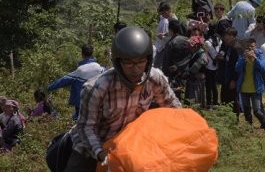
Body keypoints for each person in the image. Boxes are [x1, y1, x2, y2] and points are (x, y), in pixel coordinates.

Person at [63, 27, 181, 171]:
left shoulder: (155, 79)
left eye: (141, 62)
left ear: (149, 60)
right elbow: (86, 127)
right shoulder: (97, 88)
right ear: (118, 62)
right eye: (129, 63)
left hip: (129, 145)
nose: (136, 69)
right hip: (92, 147)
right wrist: (101, 154)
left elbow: (174, 110)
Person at [47, 44, 104, 120]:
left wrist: (49, 87)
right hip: (97, 101)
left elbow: (63, 80)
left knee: (78, 120)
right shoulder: (99, 68)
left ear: (82, 54)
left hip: (81, 103)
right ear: (92, 54)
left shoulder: (80, 70)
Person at [235, 37, 265, 138]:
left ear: (255, 47)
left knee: (257, 111)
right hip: (244, 88)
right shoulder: (242, 56)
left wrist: (255, 58)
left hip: (256, 88)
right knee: (247, 111)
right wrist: (244, 58)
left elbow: (264, 68)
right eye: (248, 47)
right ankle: (249, 130)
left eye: (252, 47)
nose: (250, 49)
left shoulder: (260, 55)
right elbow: (237, 68)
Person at [216, 27, 241, 118]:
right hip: (225, 77)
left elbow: (237, 66)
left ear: (234, 37)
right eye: (226, 35)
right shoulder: (226, 46)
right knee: (224, 98)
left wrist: (234, 80)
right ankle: (226, 117)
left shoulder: (236, 48)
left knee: (233, 99)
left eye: (229, 35)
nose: (226, 37)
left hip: (232, 78)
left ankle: (235, 119)